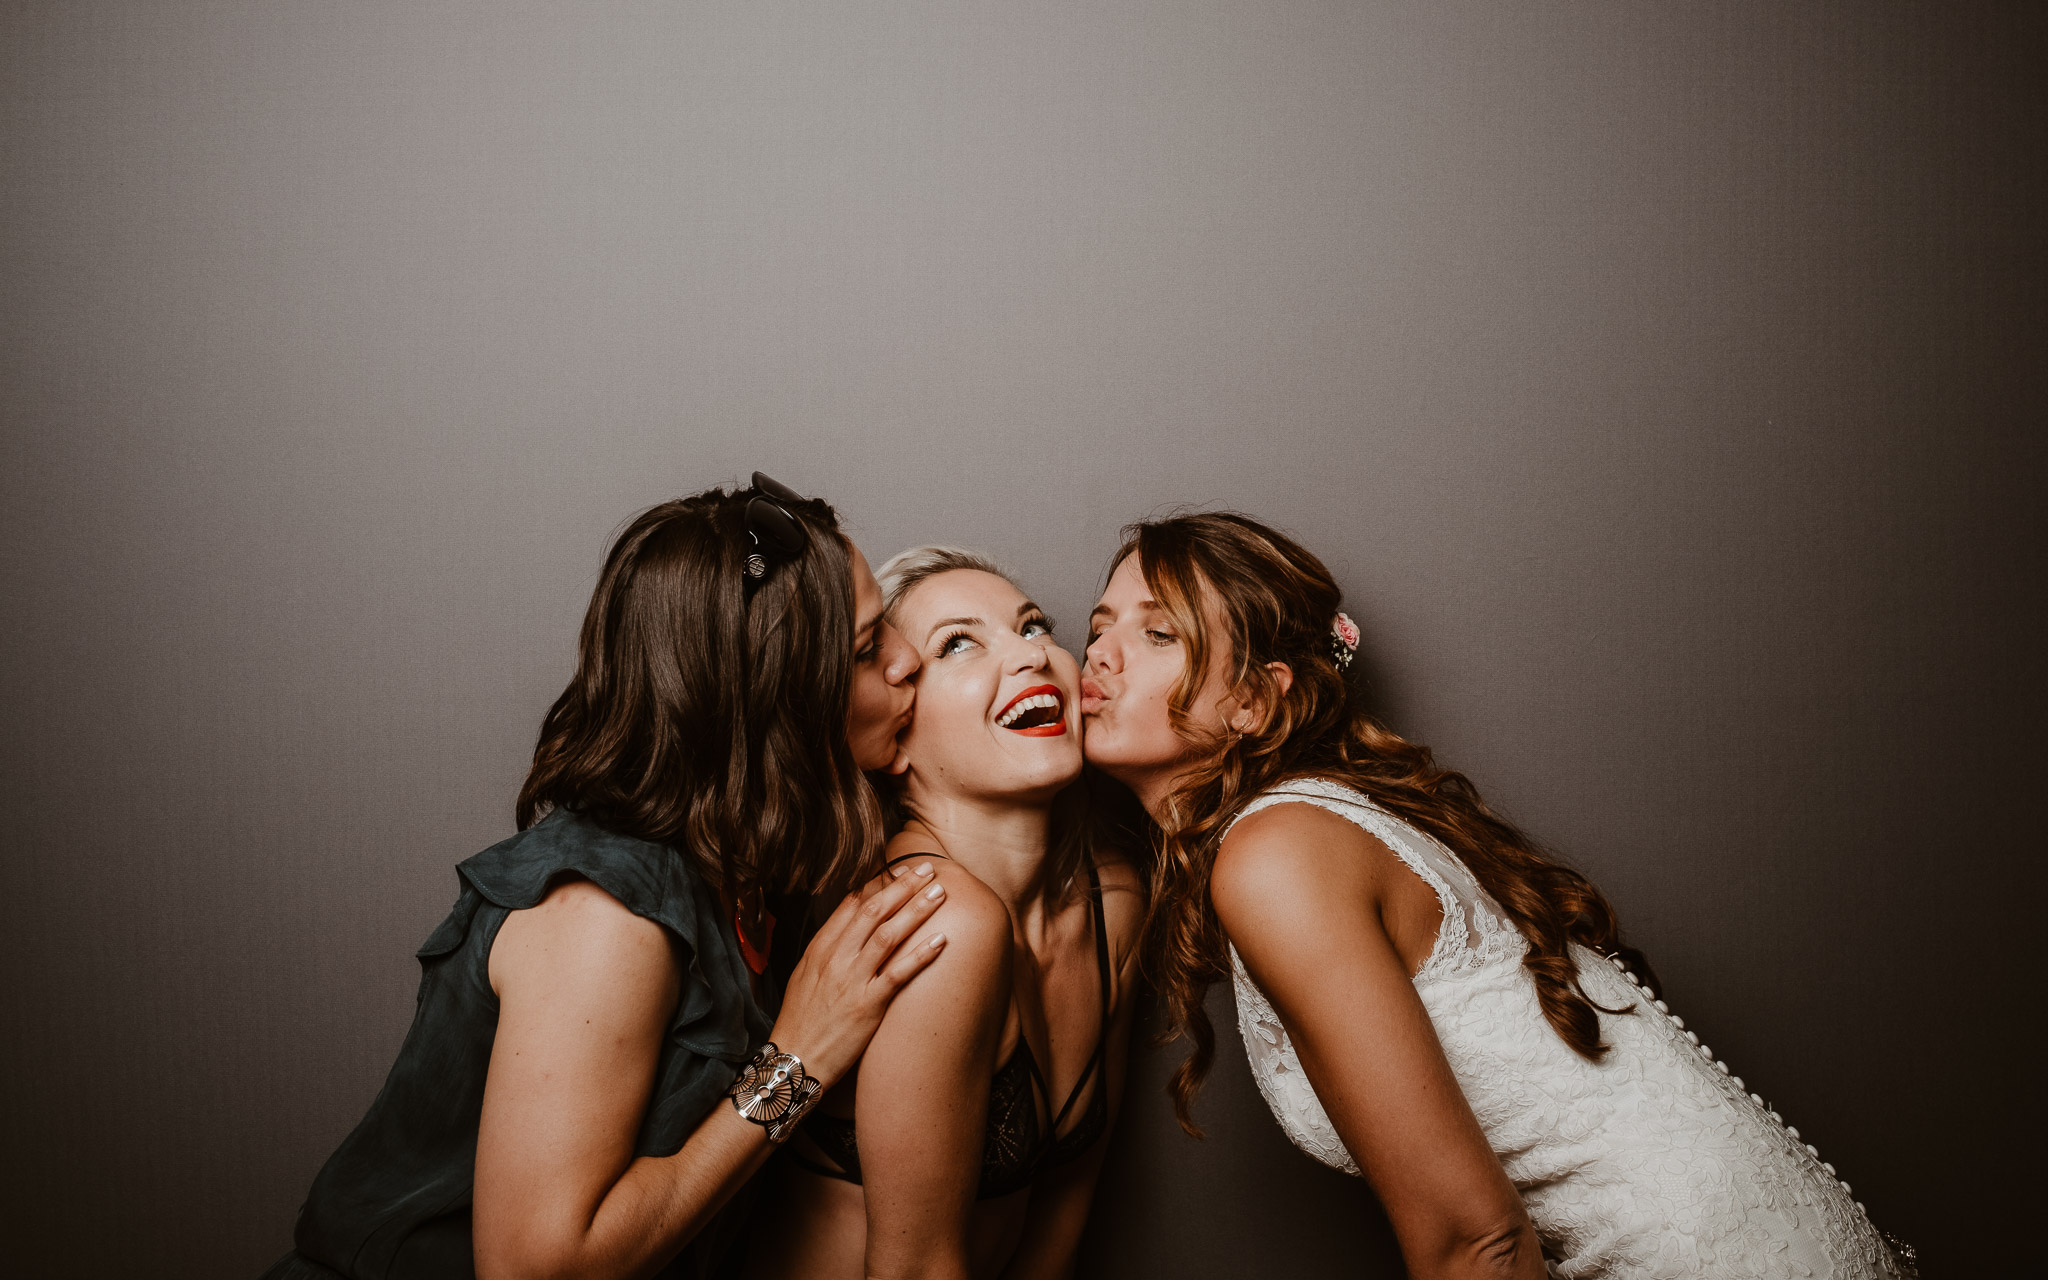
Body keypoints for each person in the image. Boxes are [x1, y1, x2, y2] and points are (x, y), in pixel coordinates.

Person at [1079, 511, 1916, 1280]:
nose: (1103, 655)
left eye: (1158, 632)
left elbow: (1481, 1243)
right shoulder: (1317, 822)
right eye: (1099, 626)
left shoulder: (1276, 854)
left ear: (1256, 701)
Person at [262, 476, 953, 1280]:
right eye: (869, 648)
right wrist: (795, 1066)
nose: (910, 662)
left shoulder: (759, 873)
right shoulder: (606, 913)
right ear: (774, 699)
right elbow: (535, 1269)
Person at [748, 547, 1144, 1280]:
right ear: (898, 731)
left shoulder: (1109, 897)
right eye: (958, 643)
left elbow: (1066, 1199)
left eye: (1033, 626)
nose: (1031, 657)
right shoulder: (932, 918)